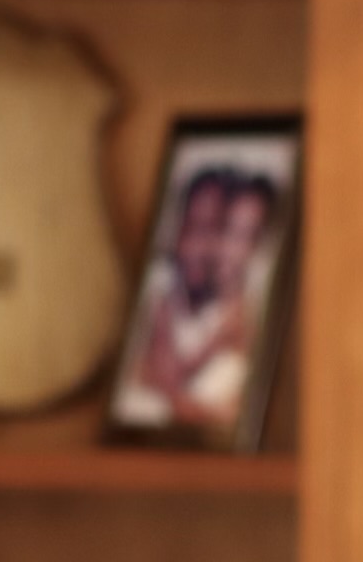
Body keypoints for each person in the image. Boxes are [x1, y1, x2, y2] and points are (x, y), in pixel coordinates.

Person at [114, 166, 276, 430]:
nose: (214, 249)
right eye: (199, 228)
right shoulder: (160, 294)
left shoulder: (244, 313)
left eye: (234, 234)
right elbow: (163, 376)